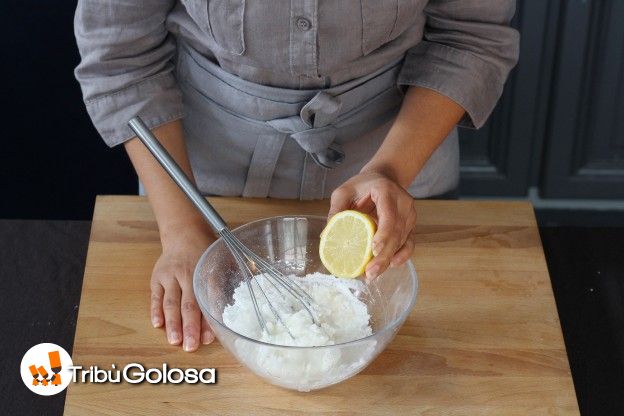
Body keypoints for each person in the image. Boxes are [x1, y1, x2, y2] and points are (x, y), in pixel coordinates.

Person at [74, 1, 519, 352]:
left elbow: (469, 36)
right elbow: (121, 55)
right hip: (197, 180)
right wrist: (179, 231)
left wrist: (391, 169)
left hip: (400, 160)